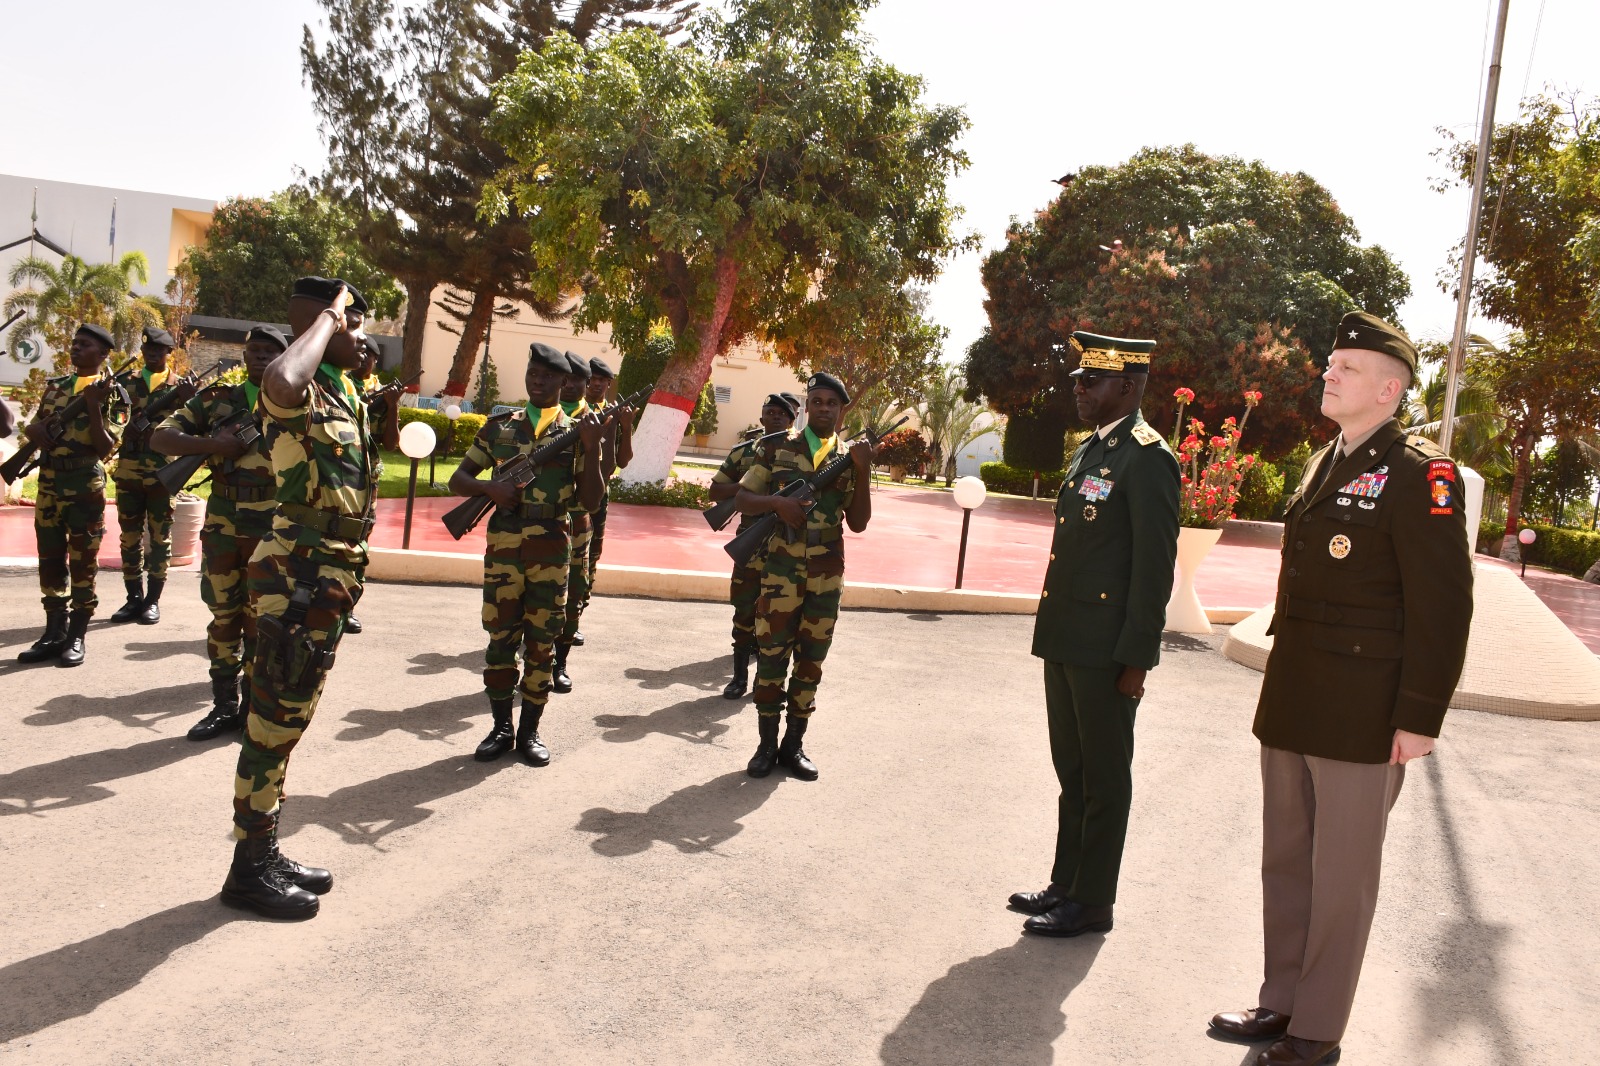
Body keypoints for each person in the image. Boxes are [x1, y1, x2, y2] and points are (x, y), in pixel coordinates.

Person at [1209, 312, 1473, 1066]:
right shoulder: (1326, 459)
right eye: (1331, 363)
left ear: (1390, 388)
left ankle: (1316, 1030)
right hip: (1295, 697)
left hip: (1365, 714)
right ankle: (1280, 1001)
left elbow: (1444, 605)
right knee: (1286, 859)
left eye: (1348, 367)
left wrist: (1420, 718)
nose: (1330, 374)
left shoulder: (1425, 473)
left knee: (1342, 876)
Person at [1010, 331, 1180, 938]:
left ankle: (1094, 900)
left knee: (1105, 778)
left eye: (1091, 380)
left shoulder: (1147, 457)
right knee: (1073, 770)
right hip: (1066, 637)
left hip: (1107, 649)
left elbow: (1154, 568)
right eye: (1079, 379)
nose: (1078, 389)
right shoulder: (1090, 452)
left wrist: (1137, 659)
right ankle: (1066, 882)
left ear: (1128, 388)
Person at [219, 277, 374, 921]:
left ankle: (264, 850)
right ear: (326, 326)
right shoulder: (295, 388)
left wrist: (346, 339)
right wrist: (331, 317)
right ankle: (248, 870)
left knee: (289, 722)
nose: (364, 339)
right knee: (269, 726)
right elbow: (280, 381)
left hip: (327, 576)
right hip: (296, 577)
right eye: (354, 325)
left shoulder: (342, 394)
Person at [451, 342, 603, 766]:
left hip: (553, 547)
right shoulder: (499, 427)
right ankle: (500, 726)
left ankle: (530, 731)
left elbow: (590, 500)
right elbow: (458, 479)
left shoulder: (578, 429)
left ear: (563, 383)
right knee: (501, 638)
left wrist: (592, 449)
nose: (538, 382)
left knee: (542, 641)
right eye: (533, 374)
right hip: (504, 547)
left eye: (548, 377)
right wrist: (489, 488)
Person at [734, 373, 874, 780]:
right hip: (780, 568)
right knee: (773, 654)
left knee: (811, 660)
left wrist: (862, 472)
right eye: (817, 400)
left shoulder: (849, 457)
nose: (824, 408)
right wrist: (778, 504)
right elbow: (742, 497)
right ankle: (765, 745)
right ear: (807, 405)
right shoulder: (776, 446)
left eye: (833, 402)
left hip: (826, 573)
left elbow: (860, 522)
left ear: (842, 409)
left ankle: (793, 745)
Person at [152, 326, 285, 741]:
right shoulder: (216, 400)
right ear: (244, 357)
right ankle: (224, 706)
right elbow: (160, 437)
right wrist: (212, 445)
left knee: (261, 620)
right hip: (225, 521)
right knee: (224, 616)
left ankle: (251, 707)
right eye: (254, 351)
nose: (261, 357)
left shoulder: (294, 403)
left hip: (273, 524)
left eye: (271, 352)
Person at [16, 323, 129, 667]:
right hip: (49, 482)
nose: (75, 348)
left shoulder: (114, 394)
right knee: (50, 559)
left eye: (84, 345)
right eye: (74, 343)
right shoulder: (56, 387)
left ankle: (77, 635)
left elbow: (107, 448)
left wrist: (93, 406)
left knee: (83, 562)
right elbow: (35, 426)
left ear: (103, 354)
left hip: (84, 486)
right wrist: (34, 431)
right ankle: (53, 631)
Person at [710, 391, 800, 699]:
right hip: (751, 540)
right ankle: (738, 677)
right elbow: (715, 490)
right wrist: (749, 485)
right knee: (744, 611)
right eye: (770, 412)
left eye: (783, 415)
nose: (776, 418)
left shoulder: (802, 452)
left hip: (786, 544)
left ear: (792, 421)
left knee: (778, 616)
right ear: (761, 417)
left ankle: (768, 679)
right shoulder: (744, 451)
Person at [108, 327, 196, 625]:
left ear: (169, 353)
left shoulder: (181, 387)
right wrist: (127, 424)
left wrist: (188, 399)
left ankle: (152, 600)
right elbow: (116, 416)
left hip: (163, 472)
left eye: (159, 351)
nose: (153, 355)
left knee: (160, 538)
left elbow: (191, 426)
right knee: (129, 537)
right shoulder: (126, 382)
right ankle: (133, 598)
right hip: (130, 469)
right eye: (148, 350)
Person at [343, 336, 400, 636]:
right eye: (361, 353)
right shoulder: (339, 385)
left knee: (360, 542)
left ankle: (349, 605)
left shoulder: (383, 392)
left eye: (370, 356)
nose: (364, 359)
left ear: (377, 361)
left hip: (366, 480)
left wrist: (392, 407)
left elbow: (391, 443)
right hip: (338, 476)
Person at [575, 355, 633, 629]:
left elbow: (622, 462)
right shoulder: (574, 411)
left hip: (600, 493)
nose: (596, 384)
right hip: (572, 492)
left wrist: (625, 427)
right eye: (592, 379)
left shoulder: (613, 412)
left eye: (601, 380)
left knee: (592, 555)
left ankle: (576, 615)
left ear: (609, 384)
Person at [553, 351, 595, 691]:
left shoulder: (594, 420)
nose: (569, 386)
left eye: (576, 381)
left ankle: (559, 663)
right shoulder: (532, 418)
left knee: (571, 594)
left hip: (576, 522)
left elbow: (605, 472)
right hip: (532, 524)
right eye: (564, 379)